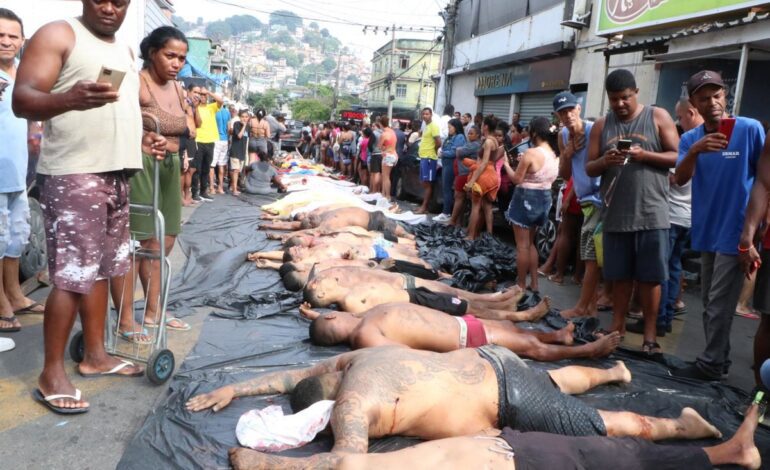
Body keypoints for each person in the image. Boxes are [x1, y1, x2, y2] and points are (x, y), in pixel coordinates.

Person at [187, 346, 722, 461]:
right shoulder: (356, 361)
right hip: (494, 360)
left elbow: (346, 462)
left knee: (608, 426)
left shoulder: (355, 401)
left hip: (501, 395)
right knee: (555, 379)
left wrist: (260, 460)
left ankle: (684, 427)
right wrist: (237, 387)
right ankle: (614, 370)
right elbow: (297, 373)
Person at [13, 0, 162, 412]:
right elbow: (22, 100)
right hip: (75, 174)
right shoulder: (59, 34)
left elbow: (119, 112)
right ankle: (51, 372)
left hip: (117, 173)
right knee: (72, 276)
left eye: (120, 1)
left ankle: (95, 356)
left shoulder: (125, 51)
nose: (111, 8)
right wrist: (69, 99)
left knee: (103, 270)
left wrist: (142, 142)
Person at [227, 403, 763, 470]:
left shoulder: (363, 368)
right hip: (513, 451)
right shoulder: (362, 369)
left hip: (508, 442)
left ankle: (719, 448)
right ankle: (723, 451)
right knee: (621, 454)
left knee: (621, 450)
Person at [673, 70, 766, 379]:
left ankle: (711, 362)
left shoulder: (749, 129)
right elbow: (680, 178)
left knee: (718, 303)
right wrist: (697, 150)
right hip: (706, 228)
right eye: (704, 98)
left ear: (726, 96)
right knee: (711, 302)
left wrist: (752, 232)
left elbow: (764, 180)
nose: (712, 103)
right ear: (694, 104)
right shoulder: (690, 138)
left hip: (736, 230)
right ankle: (717, 358)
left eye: (717, 96)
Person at [585, 69, 679, 354]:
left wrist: (644, 155)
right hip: (616, 215)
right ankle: (617, 328)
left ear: (636, 92)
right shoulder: (602, 125)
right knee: (619, 277)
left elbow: (678, 156)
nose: (620, 104)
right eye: (614, 99)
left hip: (652, 213)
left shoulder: (657, 116)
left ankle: (650, 337)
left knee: (650, 279)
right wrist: (605, 160)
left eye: (625, 97)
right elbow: (589, 168)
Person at [110, 25, 194, 343]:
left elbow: (189, 126)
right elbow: (111, 116)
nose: (176, 63)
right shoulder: (135, 81)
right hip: (142, 164)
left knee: (163, 242)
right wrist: (140, 136)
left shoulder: (178, 88)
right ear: (152, 53)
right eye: (170, 55)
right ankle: (126, 319)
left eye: (182, 58)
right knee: (136, 244)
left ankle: (154, 311)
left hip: (171, 164)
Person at [301, 301, 622, 360]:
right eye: (330, 313)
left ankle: (556, 336)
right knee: (527, 348)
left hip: (460, 326)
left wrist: (311, 313)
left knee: (513, 328)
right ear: (331, 321)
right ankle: (587, 351)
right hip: (463, 339)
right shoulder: (364, 335)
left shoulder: (362, 319)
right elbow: (402, 356)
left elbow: (327, 318)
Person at [627, 97, 701, 335]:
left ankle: (658, 320)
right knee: (673, 268)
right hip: (688, 216)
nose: (678, 121)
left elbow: (676, 178)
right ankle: (664, 318)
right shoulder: (701, 140)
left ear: (690, 112)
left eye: (680, 117)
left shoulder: (689, 142)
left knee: (660, 271)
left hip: (671, 216)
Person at [0, 8, 45, 336]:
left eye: (12, 36)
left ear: (22, 40)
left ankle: (15, 294)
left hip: (20, 172)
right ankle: (1, 302)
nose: (5, 41)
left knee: (17, 237)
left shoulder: (23, 74)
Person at [304, 266, 551, 322]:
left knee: (466, 304)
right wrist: (316, 315)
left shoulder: (349, 292)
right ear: (322, 291)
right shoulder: (350, 302)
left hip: (413, 295)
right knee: (467, 308)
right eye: (320, 281)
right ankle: (523, 317)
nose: (326, 277)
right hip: (417, 302)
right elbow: (357, 320)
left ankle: (504, 307)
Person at [552, 92, 602, 318]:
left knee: (591, 257)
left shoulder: (594, 130)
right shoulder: (563, 134)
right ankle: (589, 306)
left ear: (579, 109)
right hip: (584, 201)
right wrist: (568, 153)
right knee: (589, 255)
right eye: (563, 112)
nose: (568, 115)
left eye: (571, 110)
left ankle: (583, 306)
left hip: (601, 199)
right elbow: (564, 174)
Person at [502, 117, 559, 293]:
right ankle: (534, 283)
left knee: (522, 245)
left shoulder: (531, 153)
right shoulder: (555, 152)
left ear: (534, 133)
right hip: (544, 197)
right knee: (531, 243)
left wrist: (506, 165)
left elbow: (517, 179)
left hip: (526, 197)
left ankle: (520, 284)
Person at [193, 85, 224, 200]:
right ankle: (194, 192)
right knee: (197, 169)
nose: (203, 96)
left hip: (210, 141)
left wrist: (209, 92)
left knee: (206, 168)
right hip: (199, 140)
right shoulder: (195, 107)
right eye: (201, 94)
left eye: (204, 94)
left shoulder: (212, 107)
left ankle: (203, 191)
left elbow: (221, 101)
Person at [448, 126, 481, 227]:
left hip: (465, 173)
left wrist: (458, 149)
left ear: (478, 135)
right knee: (461, 198)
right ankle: (459, 222)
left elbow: (458, 152)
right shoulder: (470, 144)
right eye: (469, 133)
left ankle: (452, 221)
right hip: (462, 173)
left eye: (472, 133)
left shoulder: (474, 145)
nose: (469, 135)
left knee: (459, 197)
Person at [434, 119, 467, 223]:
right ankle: (446, 212)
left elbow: (454, 152)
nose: (449, 130)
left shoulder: (459, 137)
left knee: (447, 189)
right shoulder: (450, 137)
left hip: (452, 165)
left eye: (450, 127)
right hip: (446, 164)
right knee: (446, 189)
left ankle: (446, 213)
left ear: (456, 127)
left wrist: (442, 153)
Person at [416, 107, 442, 214]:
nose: (425, 116)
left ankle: (424, 207)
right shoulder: (426, 126)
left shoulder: (434, 126)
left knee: (427, 183)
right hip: (424, 157)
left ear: (431, 115)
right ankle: (423, 206)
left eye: (427, 114)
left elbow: (439, 142)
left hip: (430, 158)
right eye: (423, 114)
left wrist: (433, 151)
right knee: (424, 182)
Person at [211, 100, 230, 194]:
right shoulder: (227, 112)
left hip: (216, 139)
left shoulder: (214, 111)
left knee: (212, 164)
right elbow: (229, 128)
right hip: (225, 140)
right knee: (221, 165)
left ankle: (211, 187)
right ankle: (220, 187)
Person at [229, 109, 249, 195]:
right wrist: (244, 126)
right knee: (236, 170)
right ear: (239, 117)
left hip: (242, 151)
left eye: (246, 117)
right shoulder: (236, 124)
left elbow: (247, 140)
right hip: (235, 151)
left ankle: (233, 186)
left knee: (237, 171)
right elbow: (239, 136)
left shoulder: (248, 127)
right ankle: (234, 189)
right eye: (242, 117)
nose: (244, 119)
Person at [378, 116, 398, 201]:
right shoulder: (392, 132)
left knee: (386, 177)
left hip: (388, 155)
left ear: (380, 124)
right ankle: (383, 194)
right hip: (394, 154)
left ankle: (387, 196)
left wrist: (383, 149)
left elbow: (379, 146)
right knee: (386, 176)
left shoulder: (384, 134)